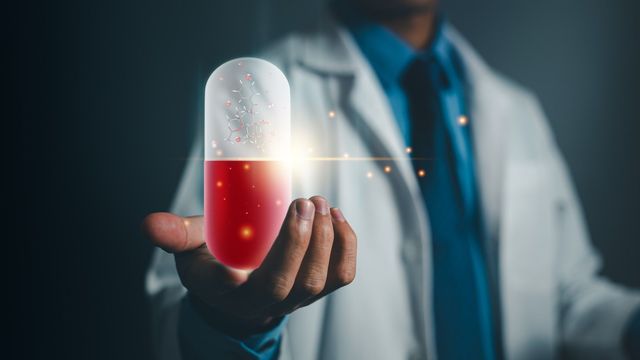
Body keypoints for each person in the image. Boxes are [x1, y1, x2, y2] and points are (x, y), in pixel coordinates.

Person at [143, 0, 640, 359]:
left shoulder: (517, 109)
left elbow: (569, 296)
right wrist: (233, 322)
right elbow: (182, 316)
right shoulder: (257, 95)